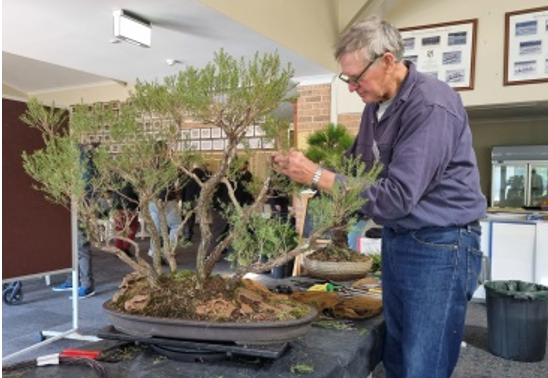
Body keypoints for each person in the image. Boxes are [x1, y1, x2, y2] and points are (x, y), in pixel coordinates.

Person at [272, 17, 487, 378]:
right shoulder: (376, 106)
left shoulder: (431, 106)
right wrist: (308, 170)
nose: (353, 87)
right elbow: (357, 171)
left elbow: (396, 197)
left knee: (424, 364)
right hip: (400, 239)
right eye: (347, 79)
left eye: (357, 78)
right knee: (398, 354)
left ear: (388, 61)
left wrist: (315, 174)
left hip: (441, 245)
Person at [53, 143, 100, 299]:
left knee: (81, 247)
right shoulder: (75, 166)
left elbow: (87, 189)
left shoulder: (85, 167)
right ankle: (72, 280)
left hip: (80, 208)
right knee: (71, 247)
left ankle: (87, 286)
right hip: (70, 207)